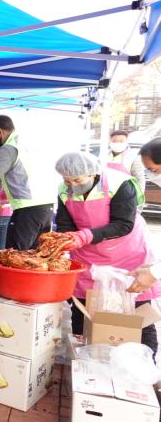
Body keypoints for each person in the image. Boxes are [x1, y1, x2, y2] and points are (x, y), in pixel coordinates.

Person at [54, 152, 157, 354]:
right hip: (88, 258)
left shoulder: (120, 184)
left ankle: (146, 366)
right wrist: (63, 242)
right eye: (67, 180)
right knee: (82, 311)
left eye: (77, 180)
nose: (72, 185)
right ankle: (84, 360)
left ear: (93, 173)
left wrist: (83, 236)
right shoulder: (64, 189)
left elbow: (123, 224)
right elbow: (65, 224)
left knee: (134, 315)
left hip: (127, 254)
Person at [0, 115, 55, 250]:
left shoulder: (9, 148)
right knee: (34, 255)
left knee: (14, 255)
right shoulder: (24, 143)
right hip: (46, 208)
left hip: (28, 209)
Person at [108, 130, 145, 195]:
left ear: (126, 142)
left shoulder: (133, 156)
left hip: (126, 193)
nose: (118, 143)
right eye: (114, 141)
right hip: (107, 192)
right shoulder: (105, 155)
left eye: (121, 141)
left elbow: (139, 178)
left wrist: (139, 196)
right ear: (110, 141)